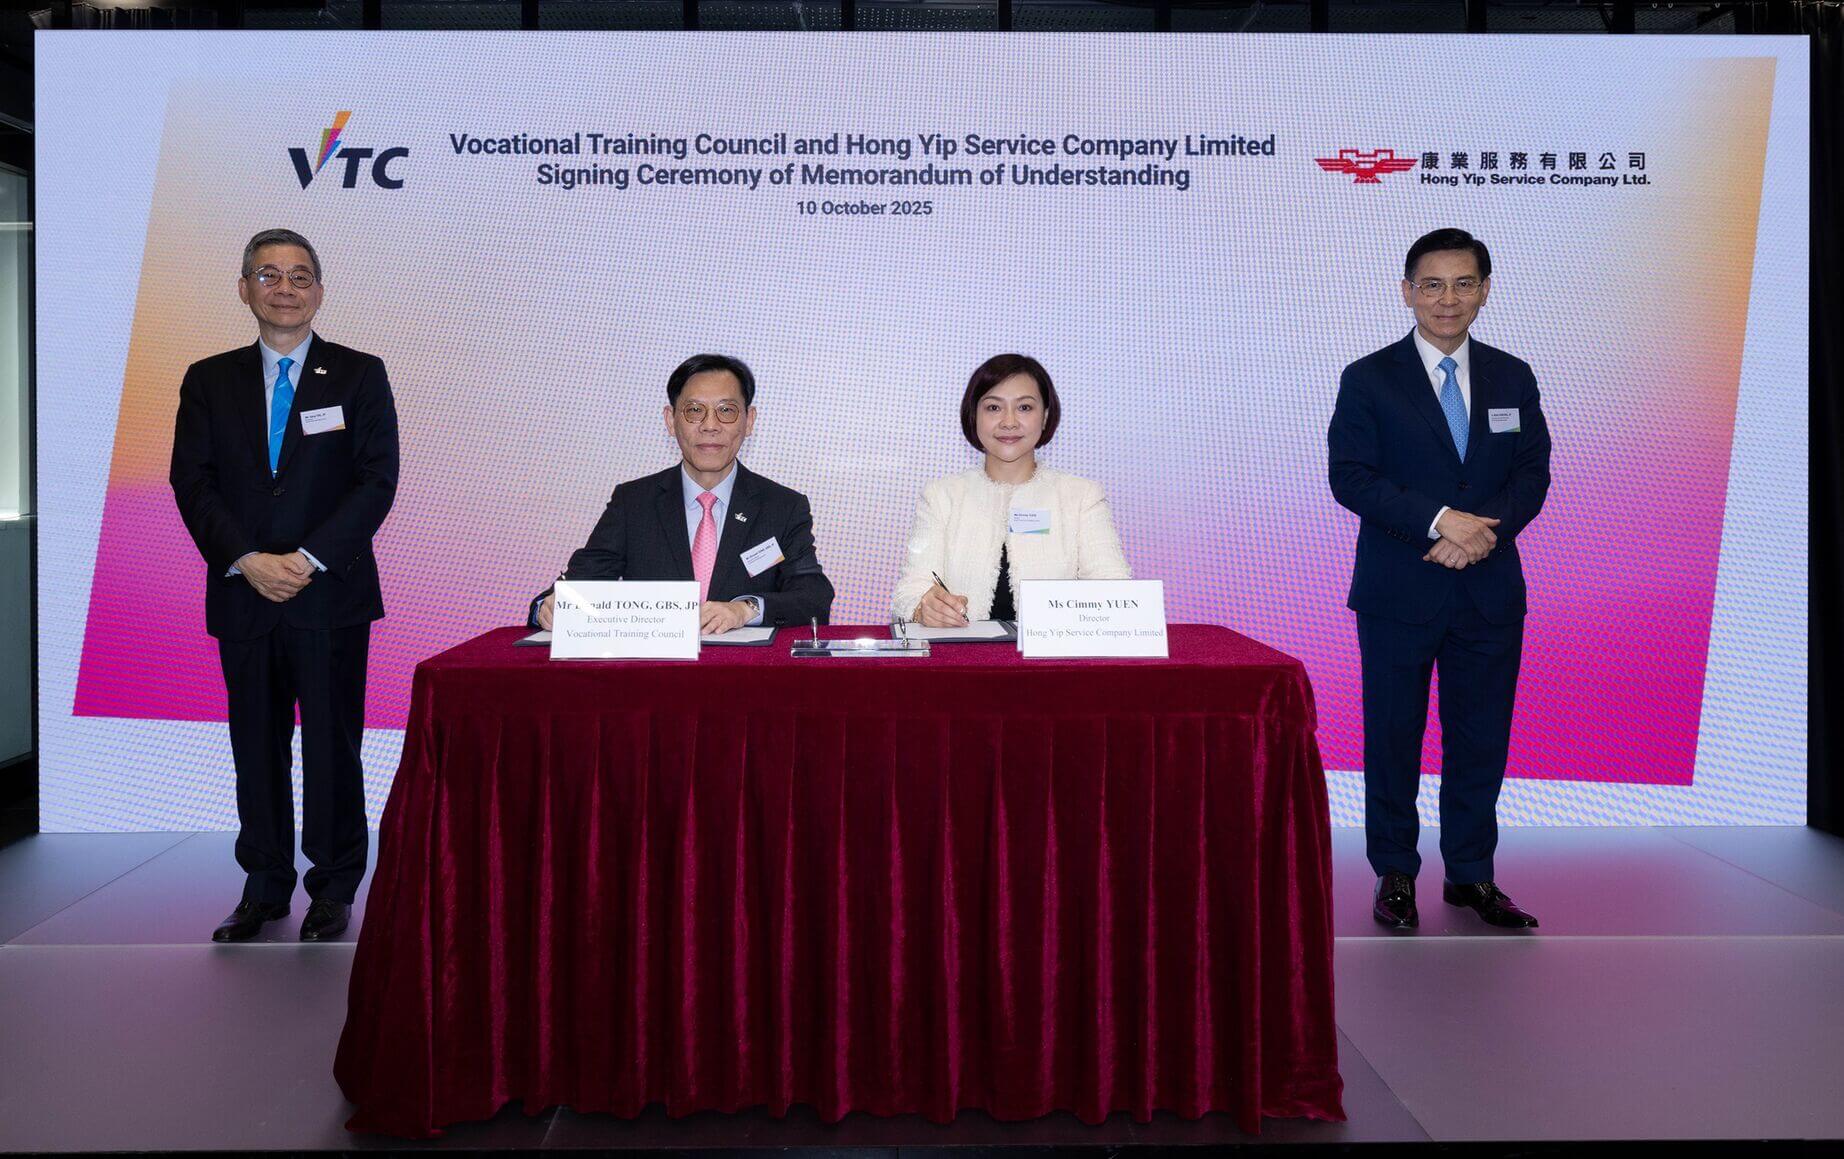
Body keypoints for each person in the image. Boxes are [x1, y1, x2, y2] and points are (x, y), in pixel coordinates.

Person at [170, 228, 399, 943]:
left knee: (334, 745)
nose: (286, 287)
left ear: (320, 292)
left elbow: (375, 481)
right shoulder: (208, 379)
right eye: (268, 275)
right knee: (255, 745)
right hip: (245, 592)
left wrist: (304, 559)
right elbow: (192, 480)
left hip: (328, 594)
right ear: (244, 289)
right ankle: (264, 885)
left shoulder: (360, 373)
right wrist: (247, 558)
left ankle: (333, 886)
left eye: (300, 276)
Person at [1328, 227, 1551, 932]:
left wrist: (1481, 533)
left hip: (1487, 589)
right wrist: (1441, 520)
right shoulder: (1369, 378)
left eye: (1463, 284)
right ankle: (1396, 871)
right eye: (1431, 284)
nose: (1447, 299)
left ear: (1485, 291)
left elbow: (1533, 473)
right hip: (1400, 589)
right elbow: (1351, 476)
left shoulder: (1513, 375)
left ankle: (1472, 875)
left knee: (1480, 736)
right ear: (1407, 292)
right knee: (1393, 734)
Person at [530, 353, 833, 632]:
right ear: (670, 420)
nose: (710, 426)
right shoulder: (633, 502)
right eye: (694, 411)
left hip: (745, 679)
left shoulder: (782, 506)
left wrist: (745, 610)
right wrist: (549, 608)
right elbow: (578, 585)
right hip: (655, 679)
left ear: (749, 421)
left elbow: (813, 597)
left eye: (726, 410)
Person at [891, 354, 1129, 627]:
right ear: (973, 415)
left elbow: (1114, 589)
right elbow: (910, 591)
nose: (1009, 421)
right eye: (993, 408)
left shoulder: (1082, 496)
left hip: (1053, 664)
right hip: (964, 663)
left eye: (1025, 408)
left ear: (1045, 416)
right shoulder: (941, 497)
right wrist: (923, 608)